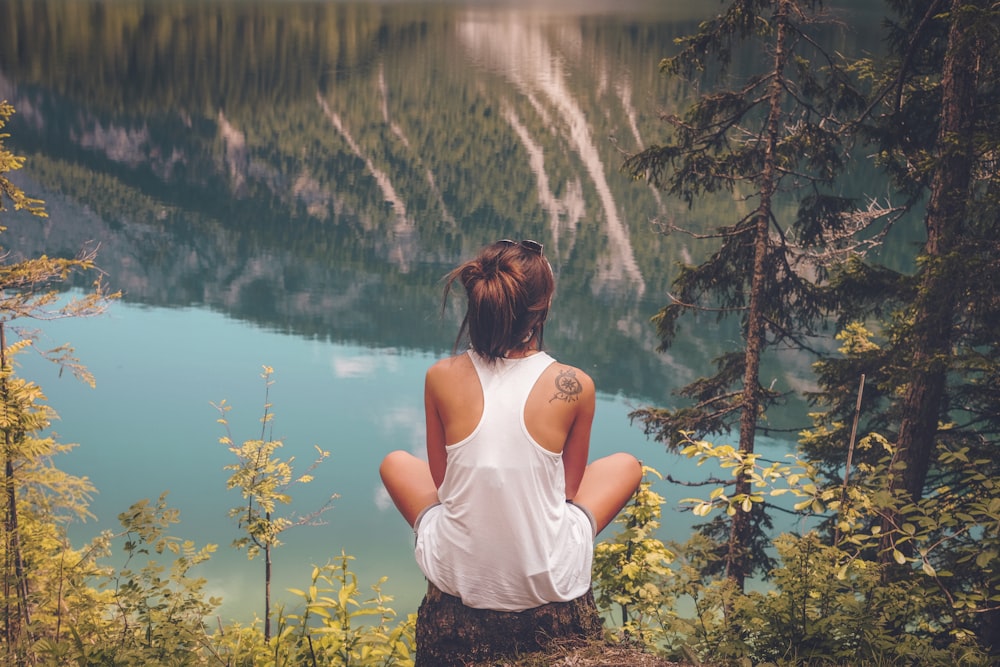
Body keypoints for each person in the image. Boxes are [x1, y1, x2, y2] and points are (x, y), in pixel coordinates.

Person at [379, 239, 643, 612]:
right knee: (626, 465)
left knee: (395, 462)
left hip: (457, 573)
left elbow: (442, 484)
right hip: (549, 575)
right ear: (540, 313)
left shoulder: (440, 376)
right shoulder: (576, 385)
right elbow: (567, 491)